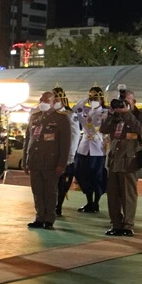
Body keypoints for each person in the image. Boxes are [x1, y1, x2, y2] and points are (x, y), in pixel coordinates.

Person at [100, 89, 142, 237]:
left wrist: (126, 113)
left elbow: (141, 129)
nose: (123, 104)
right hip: (115, 160)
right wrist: (111, 114)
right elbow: (104, 129)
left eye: (127, 101)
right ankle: (116, 224)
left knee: (128, 195)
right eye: (121, 101)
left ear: (134, 102)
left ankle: (128, 225)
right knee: (113, 195)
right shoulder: (116, 116)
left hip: (130, 161)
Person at [23, 91, 71, 229]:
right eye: (41, 100)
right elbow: (28, 140)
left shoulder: (61, 119)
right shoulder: (35, 117)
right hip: (35, 160)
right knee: (37, 191)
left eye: (46, 100)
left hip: (51, 162)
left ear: (53, 102)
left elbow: (65, 143)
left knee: (50, 191)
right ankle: (39, 217)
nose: (42, 102)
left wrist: (62, 164)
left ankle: (49, 218)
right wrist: (26, 158)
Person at [73, 87, 108, 213]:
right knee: (83, 175)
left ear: (101, 99)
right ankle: (88, 202)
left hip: (98, 149)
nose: (93, 100)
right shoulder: (85, 111)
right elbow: (75, 109)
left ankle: (96, 203)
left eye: (95, 98)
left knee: (97, 177)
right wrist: (86, 99)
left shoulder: (106, 112)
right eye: (91, 98)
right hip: (84, 149)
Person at [52, 87, 81, 217]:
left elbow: (75, 136)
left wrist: (70, 155)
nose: (54, 101)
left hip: (63, 153)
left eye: (56, 99)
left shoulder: (69, 115)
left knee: (61, 182)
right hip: (50, 153)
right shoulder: (48, 113)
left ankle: (58, 206)